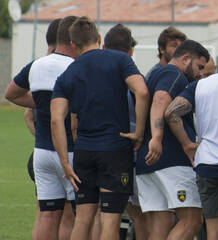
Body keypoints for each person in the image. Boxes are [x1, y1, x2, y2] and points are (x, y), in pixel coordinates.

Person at [50, 16, 150, 240]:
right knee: (109, 219)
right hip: (115, 150)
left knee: (83, 218)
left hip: (84, 151)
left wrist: (66, 163)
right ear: (98, 38)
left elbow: (57, 120)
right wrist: (140, 132)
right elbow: (142, 92)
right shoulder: (119, 60)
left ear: (73, 45)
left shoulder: (67, 74)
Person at [164, 44, 218, 240]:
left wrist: (187, 144)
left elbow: (171, 112)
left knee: (213, 228)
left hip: (206, 166)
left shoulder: (201, 85)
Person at [4, 16, 79, 240]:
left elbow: (11, 94)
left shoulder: (36, 65)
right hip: (70, 151)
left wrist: (42, 104)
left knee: (47, 215)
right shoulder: (77, 67)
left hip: (42, 151)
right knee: (72, 217)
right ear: (75, 41)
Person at [135, 39, 209, 240]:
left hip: (146, 162)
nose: (200, 73)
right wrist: (157, 138)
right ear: (186, 58)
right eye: (199, 66)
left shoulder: (153, 73)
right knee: (192, 220)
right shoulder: (174, 74)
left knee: (161, 225)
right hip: (170, 159)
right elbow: (161, 101)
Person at [101, 23, 150, 240]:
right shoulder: (131, 76)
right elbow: (143, 94)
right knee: (139, 216)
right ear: (130, 52)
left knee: (99, 215)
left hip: (94, 148)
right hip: (128, 152)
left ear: (103, 47)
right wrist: (139, 132)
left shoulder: (96, 74)